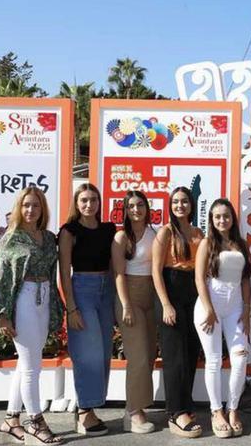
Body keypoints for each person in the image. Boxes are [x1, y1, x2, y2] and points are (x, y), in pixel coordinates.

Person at [0, 187, 64, 445]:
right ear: (18, 208)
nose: (31, 210)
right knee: (33, 367)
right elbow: (0, 278)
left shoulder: (48, 236)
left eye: (35, 205)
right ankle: (36, 421)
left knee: (25, 364)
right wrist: (2, 315)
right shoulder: (11, 238)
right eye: (26, 205)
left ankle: (11, 420)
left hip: (43, 298)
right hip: (23, 300)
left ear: (43, 209)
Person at [58, 183, 116, 436]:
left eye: (93, 199)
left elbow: (114, 266)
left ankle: (90, 406)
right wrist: (71, 307)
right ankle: (84, 412)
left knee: (103, 352)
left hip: (106, 291)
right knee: (87, 353)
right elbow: (64, 272)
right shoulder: (69, 231)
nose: (89, 204)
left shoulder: (108, 229)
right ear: (77, 202)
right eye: (84, 200)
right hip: (82, 290)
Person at [195, 198, 251, 438]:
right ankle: (216, 411)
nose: (222, 220)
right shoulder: (207, 243)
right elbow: (199, 278)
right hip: (210, 305)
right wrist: (208, 309)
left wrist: (247, 311)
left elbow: (246, 279)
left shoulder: (240, 243)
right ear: (211, 219)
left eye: (226, 216)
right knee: (214, 360)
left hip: (236, 306)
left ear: (232, 218)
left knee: (240, 358)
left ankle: (233, 409)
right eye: (217, 216)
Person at [152, 187, 204, 438]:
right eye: (176, 202)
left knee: (191, 352)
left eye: (184, 201)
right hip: (171, 291)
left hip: (193, 294)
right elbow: (155, 271)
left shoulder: (198, 232)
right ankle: (175, 411)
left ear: (191, 205)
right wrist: (165, 304)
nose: (180, 205)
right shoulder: (165, 232)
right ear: (170, 205)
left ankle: (186, 404)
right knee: (175, 357)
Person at [112, 191, 158, 434]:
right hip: (129, 296)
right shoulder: (121, 237)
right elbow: (118, 274)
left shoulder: (155, 233)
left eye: (140, 205)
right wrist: (126, 305)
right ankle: (135, 413)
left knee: (149, 353)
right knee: (138, 355)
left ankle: (133, 405)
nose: (136, 209)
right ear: (125, 210)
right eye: (131, 206)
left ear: (147, 208)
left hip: (151, 294)